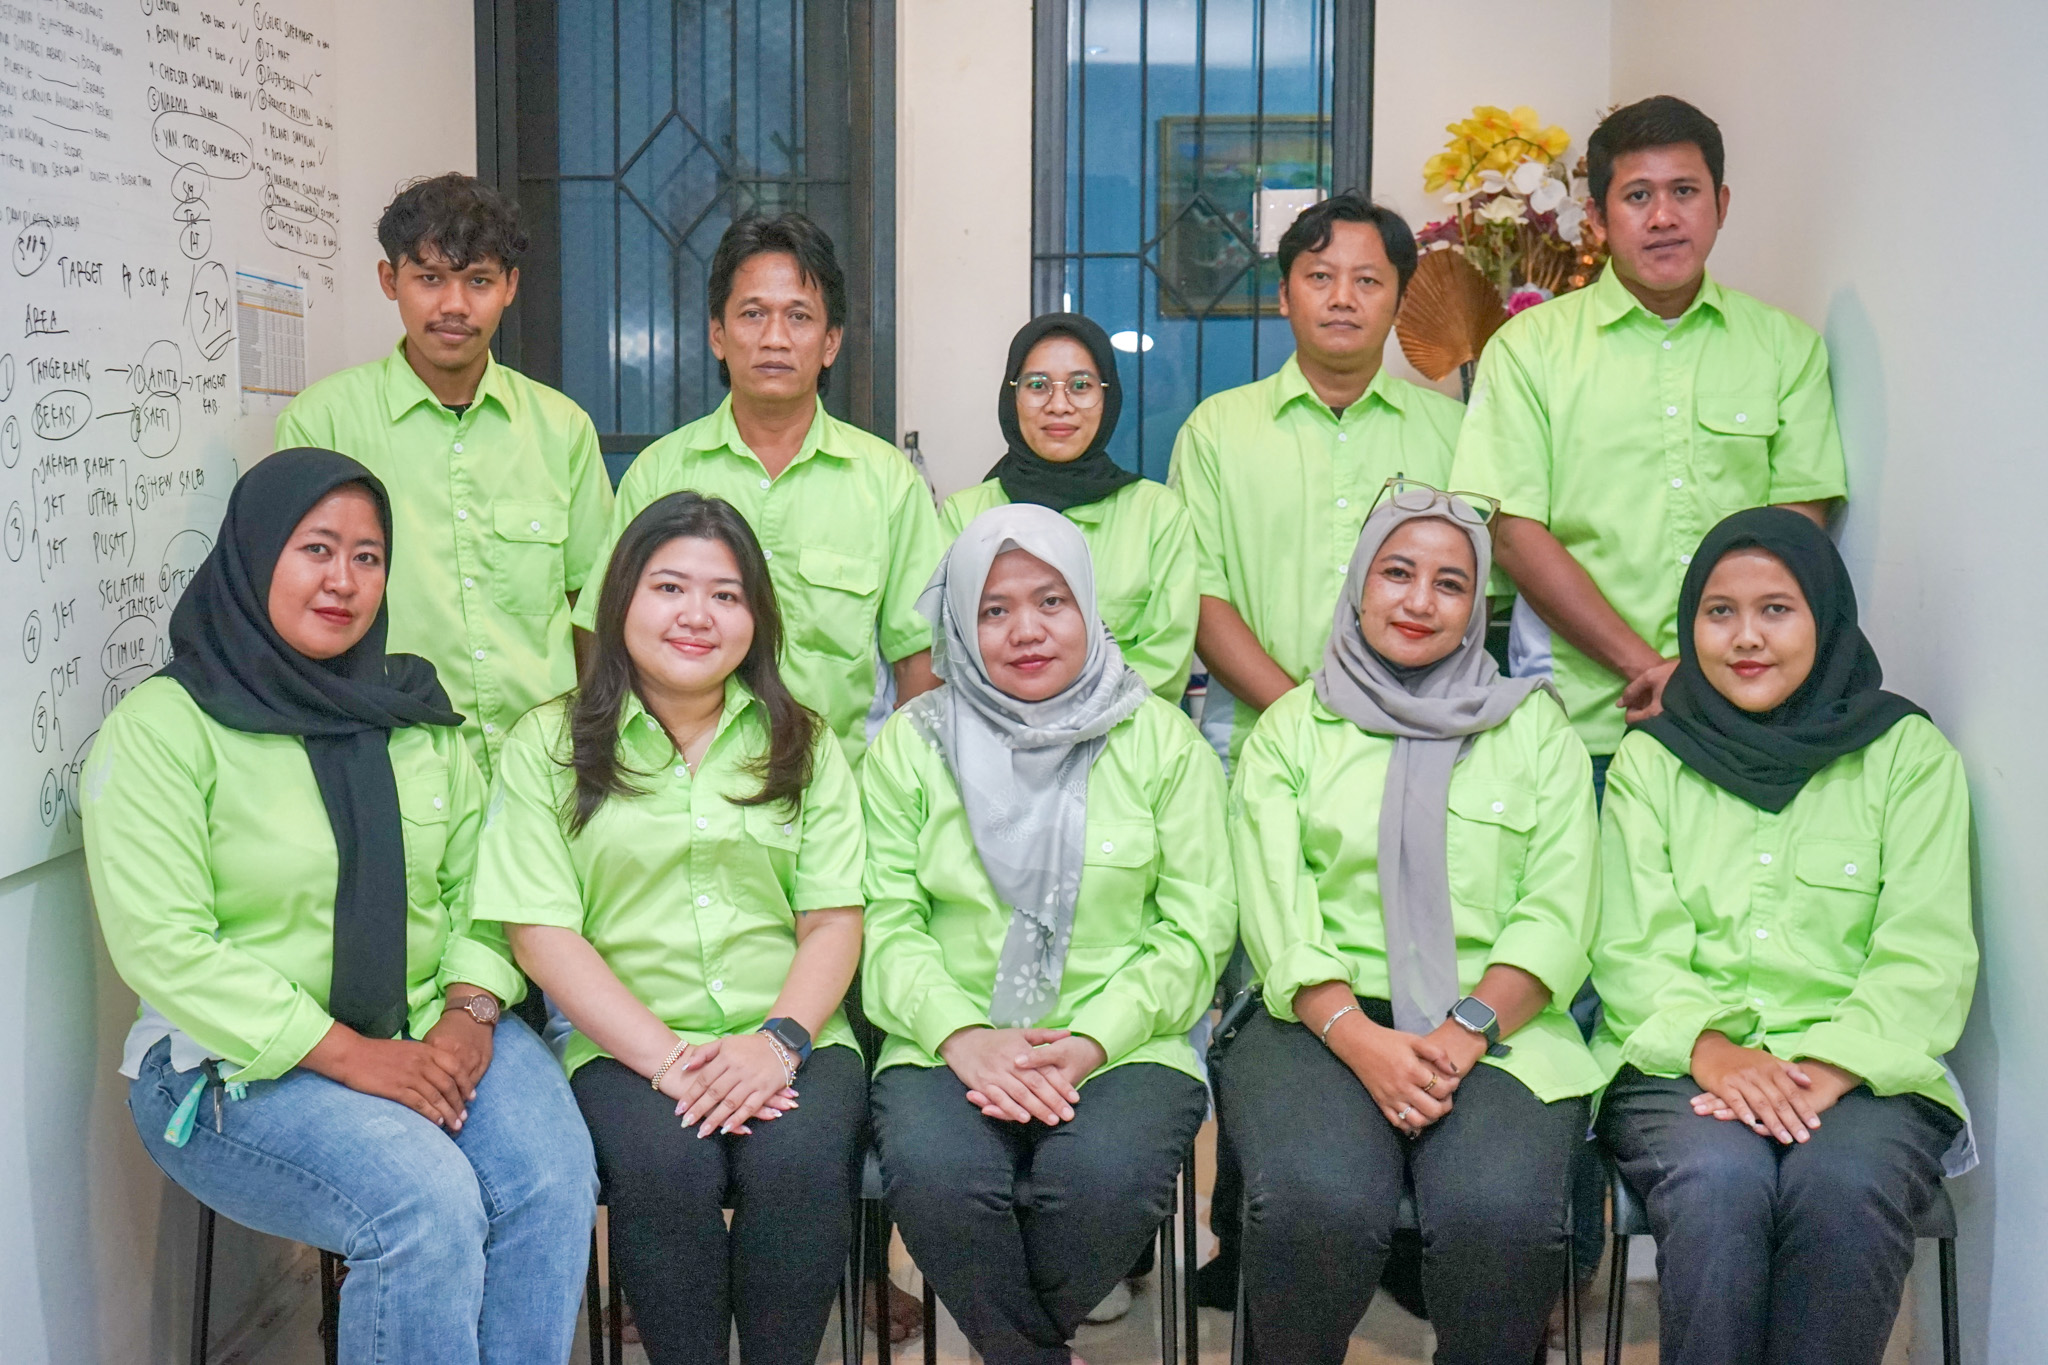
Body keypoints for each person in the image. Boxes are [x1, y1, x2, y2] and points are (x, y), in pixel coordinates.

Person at [84, 450, 597, 1364]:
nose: (344, 580)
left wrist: (473, 1012)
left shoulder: (409, 710)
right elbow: (166, 946)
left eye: (368, 556)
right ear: (252, 558)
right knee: (425, 1204)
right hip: (233, 1068)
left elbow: (487, 886)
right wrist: (356, 1056)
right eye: (316, 548)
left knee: (551, 1177)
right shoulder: (163, 729)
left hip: (431, 1022)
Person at [474, 491, 866, 1363]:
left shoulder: (805, 742)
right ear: (621, 602)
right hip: (624, 1045)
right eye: (669, 587)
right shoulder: (548, 744)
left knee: (798, 1165)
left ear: (755, 618)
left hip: (792, 1032)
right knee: (664, 1169)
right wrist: (671, 1060)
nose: (697, 615)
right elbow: (540, 933)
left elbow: (834, 918)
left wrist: (776, 1041)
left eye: (726, 595)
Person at [1218, 483, 1602, 1364]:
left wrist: (1464, 1031)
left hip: (1498, 1023)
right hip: (1314, 1020)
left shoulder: (1535, 732)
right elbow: (1279, 912)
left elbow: (1559, 907)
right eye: (1397, 572)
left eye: (1450, 583)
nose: (1419, 601)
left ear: (1479, 607)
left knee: (1501, 1213)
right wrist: (1362, 1038)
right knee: (1319, 1202)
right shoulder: (1291, 730)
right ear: (1359, 584)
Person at [1592, 507, 1976, 1365]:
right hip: (1681, 1060)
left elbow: (1926, 947)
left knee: (1843, 1187)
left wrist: (1830, 1068)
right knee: (1720, 1186)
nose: (1745, 637)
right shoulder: (1653, 762)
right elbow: (1631, 946)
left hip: (1864, 1069)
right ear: (1689, 626)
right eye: (1718, 611)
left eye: (1777, 608)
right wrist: (1716, 1052)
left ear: (1827, 616)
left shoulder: (1906, 756)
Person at [861, 505, 1234, 1365]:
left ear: (1090, 608)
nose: (1026, 630)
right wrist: (963, 1036)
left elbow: (1196, 925)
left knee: (1100, 1180)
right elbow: (884, 920)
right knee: (944, 1180)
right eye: (993, 610)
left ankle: (1009, 1344)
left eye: (1051, 601)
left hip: (1125, 1036)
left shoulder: (1160, 743)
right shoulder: (910, 750)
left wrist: (1094, 1039)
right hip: (941, 1034)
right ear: (960, 621)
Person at [1451, 97, 1848, 790]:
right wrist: (1648, 668)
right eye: (1638, 196)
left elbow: (1798, 530)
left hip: (1751, 720)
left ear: (1721, 204)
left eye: (1685, 192)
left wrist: (1706, 676)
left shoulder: (1786, 349)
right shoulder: (1529, 349)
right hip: (1582, 726)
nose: (1663, 217)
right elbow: (1511, 529)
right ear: (1599, 219)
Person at [276, 173, 614, 783]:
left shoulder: (563, 430)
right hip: (392, 761)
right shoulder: (322, 422)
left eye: (478, 280)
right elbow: (294, 605)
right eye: (429, 278)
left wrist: (593, 753)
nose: (453, 305)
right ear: (390, 281)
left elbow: (590, 606)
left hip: (544, 769)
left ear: (509, 287)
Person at [574, 213, 946, 765]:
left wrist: (896, 789)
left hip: (838, 800)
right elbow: (602, 638)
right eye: (753, 314)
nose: (775, 338)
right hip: (675, 798)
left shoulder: (887, 483)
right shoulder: (659, 473)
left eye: (799, 316)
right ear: (718, 336)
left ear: (831, 343)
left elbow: (919, 664)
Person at [1169, 193, 1465, 769]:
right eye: (1320, 277)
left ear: (1401, 301)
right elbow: (1200, 596)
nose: (1342, 299)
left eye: (1368, 282)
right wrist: (1300, 720)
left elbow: (1473, 598)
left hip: (1420, 746)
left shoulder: (1454, 433)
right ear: (1285, 296)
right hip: (1258, 747)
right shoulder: (1218, 430)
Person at [941, 312, 1197, 700]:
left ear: (1107, 397)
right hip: (994, 742)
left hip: (1128, 748)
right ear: (1012, 396)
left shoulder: (1157, 514)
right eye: (1037, 385)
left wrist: (1066, 724)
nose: (1059, 405)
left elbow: (1164, 662)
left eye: (1080, 385)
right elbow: (950, 653)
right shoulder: (966, 516)